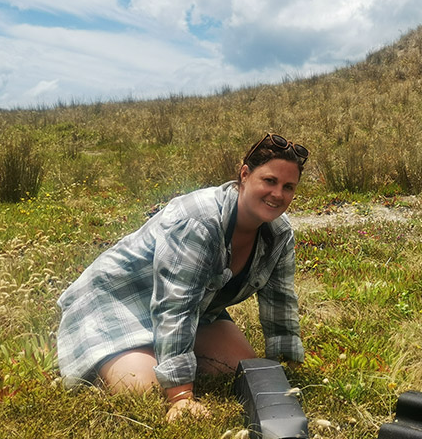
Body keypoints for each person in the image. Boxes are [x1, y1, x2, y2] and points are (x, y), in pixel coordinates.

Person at [56, 132, 308, 421]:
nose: (278, 194)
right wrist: (180, 397)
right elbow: (174, 305)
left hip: (197, 314)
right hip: (118, 304)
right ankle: (123, 358)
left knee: (242, 368)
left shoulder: (279, 232)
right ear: (245, 174)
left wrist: (286, 369)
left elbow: (280, 300)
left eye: (289, 187)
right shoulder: (198, 221)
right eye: (270, 181)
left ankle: (163, 355)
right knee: (145, 391)